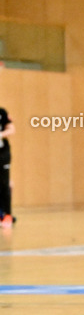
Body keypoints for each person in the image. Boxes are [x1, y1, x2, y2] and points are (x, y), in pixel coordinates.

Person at [0, 97, 13, 229]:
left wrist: (1, 134)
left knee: (5, 183)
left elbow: (11, 129)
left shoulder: (2, 112)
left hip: (2, 155)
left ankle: (7, 215)